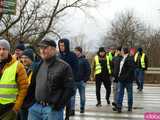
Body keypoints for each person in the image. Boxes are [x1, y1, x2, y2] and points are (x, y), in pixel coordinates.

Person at [27, 38, 74, 120]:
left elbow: (70, 89)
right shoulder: (39, 65)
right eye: (41, 48)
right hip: (35, 109)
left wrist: (58, 106)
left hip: (52, 110)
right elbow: (32, 85)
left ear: (53, 49)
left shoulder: (64, 66)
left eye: (45, 48)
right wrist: (29, 104)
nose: (42, 51)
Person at [0, 38, 28, 120]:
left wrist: (16, 107)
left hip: (9, 108)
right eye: (0, 49)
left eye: (4, 49)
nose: (1, 52)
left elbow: (24, 88)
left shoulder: (18, 66)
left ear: (8, 51)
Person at [58, 38, 78, 119]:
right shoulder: (58, 55)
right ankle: (60, 115)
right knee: (59, 99)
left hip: (69, 81)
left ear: (67, 45)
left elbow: (76, 68)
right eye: (60, 46)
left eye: (63, 45)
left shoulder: (72, 55)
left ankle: (67, 116)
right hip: (60, 82)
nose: (61, 47)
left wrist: (71, 79)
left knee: (68, 99)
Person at [72, 46, 91, 113]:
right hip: (73, 81)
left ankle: (82, 107)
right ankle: (72, 110)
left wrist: (85, 80)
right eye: (74, 51)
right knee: (72, 97)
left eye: (76, 51)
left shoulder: (84, 60)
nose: (75, 52)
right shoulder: (73, 60)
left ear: (79, 52)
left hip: (81, 82)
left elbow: (88, 70)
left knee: (82, 97)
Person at [116, 48, 135, 113]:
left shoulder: (130, 59)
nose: (120, 52)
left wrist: (125, 77)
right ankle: (119, 107)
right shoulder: (122, 58)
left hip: (128, 80)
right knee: (120, 93)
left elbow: (131, 70)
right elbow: (120, 69)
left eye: (121, 51)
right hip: (121, 79)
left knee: (129, 94)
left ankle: (130, 107)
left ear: (124, 52)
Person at [19, 48, 35, 120]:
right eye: (22, 57)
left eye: (26, 58)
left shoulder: (34, 70)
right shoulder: (24, 69)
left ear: (31, 58)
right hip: (23, 103)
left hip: (30, 103)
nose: (24, 60)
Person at [111, 47, 122, 111]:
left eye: (119, 51)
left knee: (119, 92)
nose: (118, 52)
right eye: (117, 51)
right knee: (115, 91)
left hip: (120, 78)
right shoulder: (114, 58)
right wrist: (112, 75)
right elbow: (111, 66)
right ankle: (115, 104)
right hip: (115, 77)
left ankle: (119, 105)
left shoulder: (123, 58)